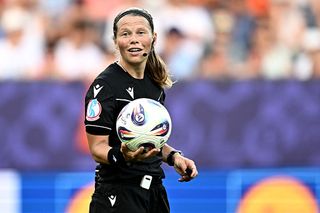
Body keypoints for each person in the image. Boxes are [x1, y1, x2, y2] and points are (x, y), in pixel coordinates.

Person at [84, 7, 198, 213]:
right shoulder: (104, 86)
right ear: (116, 41)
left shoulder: (154, 83)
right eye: (126, 33)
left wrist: (174, 157)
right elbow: (97, 147)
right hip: (118, 195)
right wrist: (123, 156)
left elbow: (149, 139)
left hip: (154, 192)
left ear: (153, 38)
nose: (134, 39)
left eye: (140, 32)